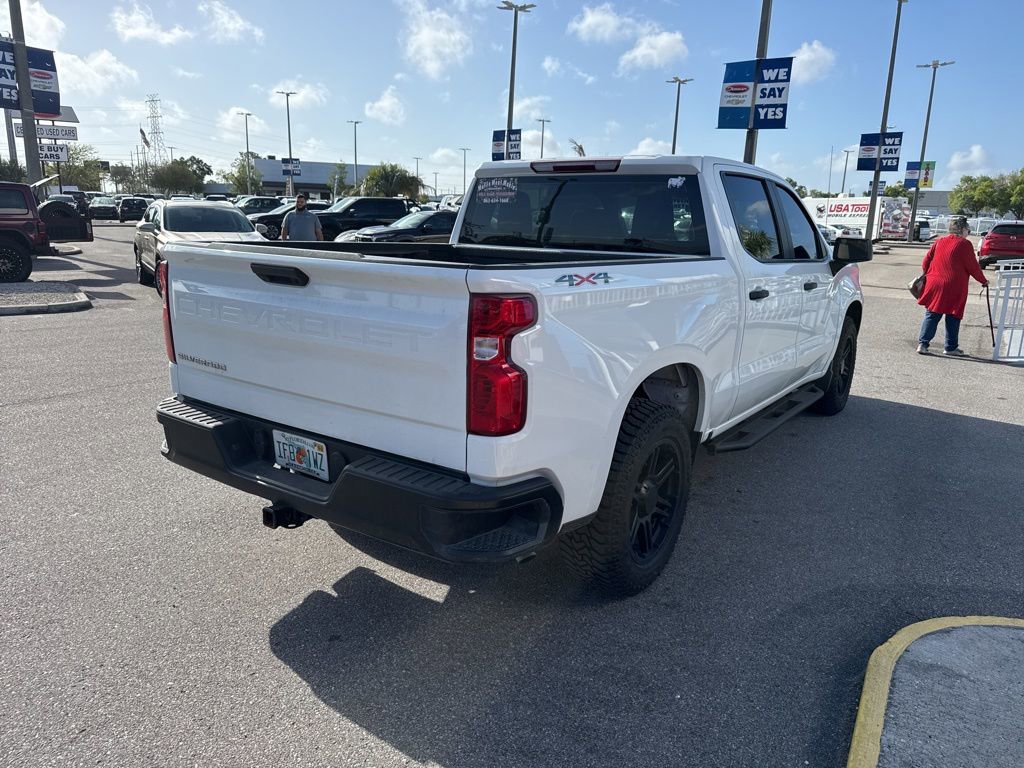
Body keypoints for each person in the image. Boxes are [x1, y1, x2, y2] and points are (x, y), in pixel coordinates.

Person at [916, 216, 988, 356]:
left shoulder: (939, 241)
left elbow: (926, 261)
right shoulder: (964, 244)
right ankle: (950, 347)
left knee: (932, 313)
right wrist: (983, 281)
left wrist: (927, 274)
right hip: (954, 285)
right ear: (962, 229)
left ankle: (923, 344)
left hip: (934, 283)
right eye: (968, 230)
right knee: (953, 314)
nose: (968, 232)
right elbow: (973, 267)